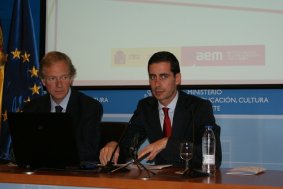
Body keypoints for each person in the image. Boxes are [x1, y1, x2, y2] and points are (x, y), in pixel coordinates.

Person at [100, 51, 221, 169]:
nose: (157, 84)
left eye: (164, 76)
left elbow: (214, 158)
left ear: (177, 78)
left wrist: (167, 143)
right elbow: (128, 145)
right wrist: (115, 147)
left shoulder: (198, 107)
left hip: (191, 181)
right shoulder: (145, 108)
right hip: (160, 180)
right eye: (153, 77)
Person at [23, 51, 103, 163]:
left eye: (64, 77)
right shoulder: (31, 108)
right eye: (52, 78)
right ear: (43, 81)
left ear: (71, 79)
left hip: (74, 174)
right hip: (40, 172)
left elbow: (89, 152)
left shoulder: (89, 107)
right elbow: (23, 148)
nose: (59, 84)